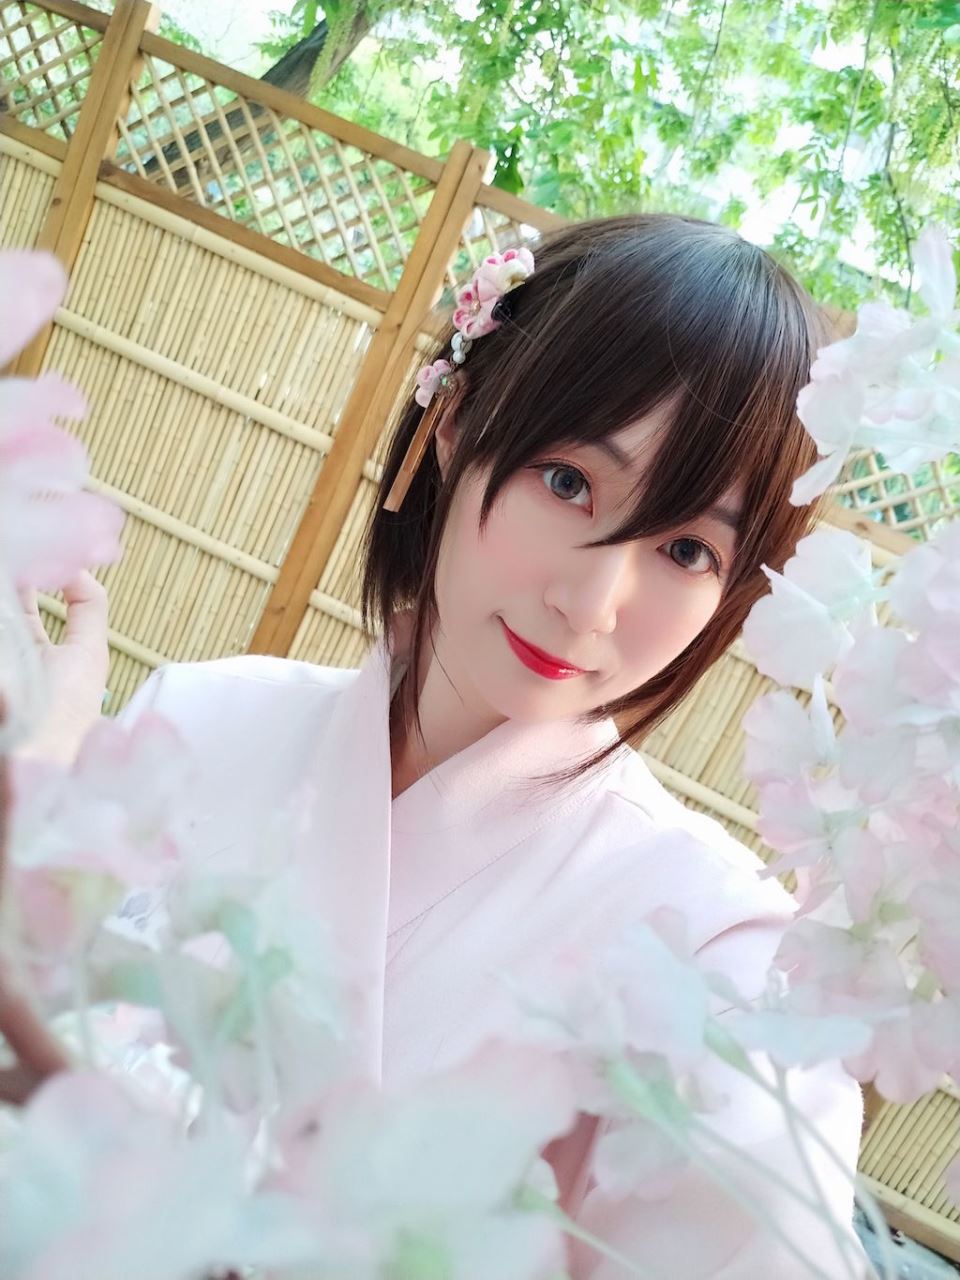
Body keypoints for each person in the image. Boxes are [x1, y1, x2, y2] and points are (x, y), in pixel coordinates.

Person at [20, 213, 867, 1278]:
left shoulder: (715, 956)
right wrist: (32, 797)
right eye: (569, 481)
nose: (592, 601)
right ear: (458, 423)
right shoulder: (198, 717)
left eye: (688, 549)